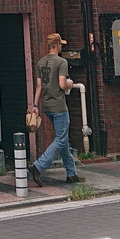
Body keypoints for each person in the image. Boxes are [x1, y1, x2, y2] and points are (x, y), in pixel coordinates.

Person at [29, 33, 83, 185]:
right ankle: (38, 166)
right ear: (57, 45)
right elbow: (61, 84)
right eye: (61, 44)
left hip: (46, 105)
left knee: (63, 139)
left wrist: (35, 105)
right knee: (60, 139)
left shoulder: (41, 62)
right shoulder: (61, 62)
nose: (61, 47)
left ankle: (71, 174)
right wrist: (70, 84)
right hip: (59, 105)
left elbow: (38, 86)